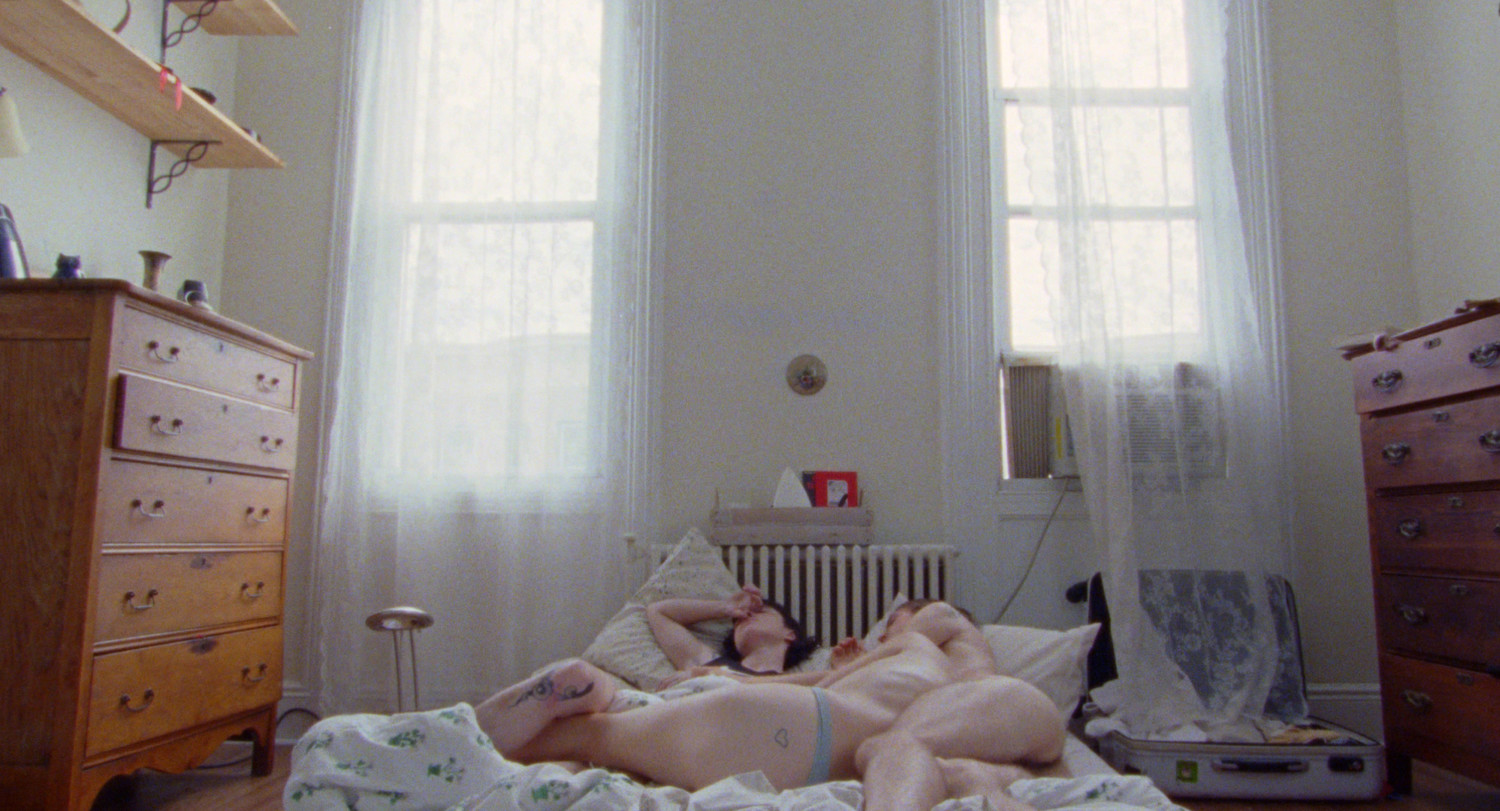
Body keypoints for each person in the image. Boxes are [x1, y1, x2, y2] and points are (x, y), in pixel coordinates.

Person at [473, 599, 1065, 810]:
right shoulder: (923, 672)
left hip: (770, 723)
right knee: (592, 732)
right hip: (772, 728)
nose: (887, 631)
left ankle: (466, 738)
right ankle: (489, 734)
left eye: (893, 622)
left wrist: (852, 664)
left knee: (591, 732)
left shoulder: (923, 642)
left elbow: (823, 690)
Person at [645, 584, 820, 679]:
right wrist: (724, 607)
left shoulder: (796, 686)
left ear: (790, 634)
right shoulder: (708, 663)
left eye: (761, 612)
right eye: (737, 621)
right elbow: (658, 612)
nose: (746, 616)